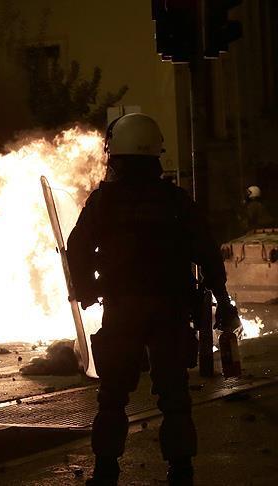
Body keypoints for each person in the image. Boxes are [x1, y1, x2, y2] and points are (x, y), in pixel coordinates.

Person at [67, 113, 241, 486]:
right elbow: (207, 254)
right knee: (174, 394)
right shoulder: (176, 201)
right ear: (156, 154)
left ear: (116, 154)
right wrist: (222, 300)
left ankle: (106, 472)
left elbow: (77, 248)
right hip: (170, 309)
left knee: (113, 395)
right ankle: (181, 471)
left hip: (123, 309)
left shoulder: (104, 202)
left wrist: (85, 290)